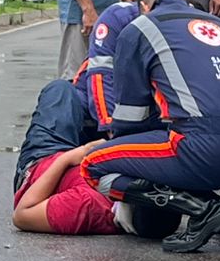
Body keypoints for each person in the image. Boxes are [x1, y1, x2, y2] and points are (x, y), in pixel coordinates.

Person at [81, 0, 220, 254]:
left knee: (92, 165)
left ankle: (204, 208)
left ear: (144, 7)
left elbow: (131, 118)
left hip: (210, 149)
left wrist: (139, 159)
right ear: (187, 2)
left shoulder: (140, 27)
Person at [11, 78, 179, 239]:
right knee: (91, 95)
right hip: (83, 160)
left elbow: (22, 215)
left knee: (60, 90)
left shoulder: (87, 206)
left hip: (42, 164)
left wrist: (68, 158)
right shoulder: (117, 196)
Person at [73, 0, 142, 133]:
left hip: (137, 111)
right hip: (93, 105)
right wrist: (110, 128)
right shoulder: (118, 17)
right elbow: (100, 79)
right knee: (60, 93)